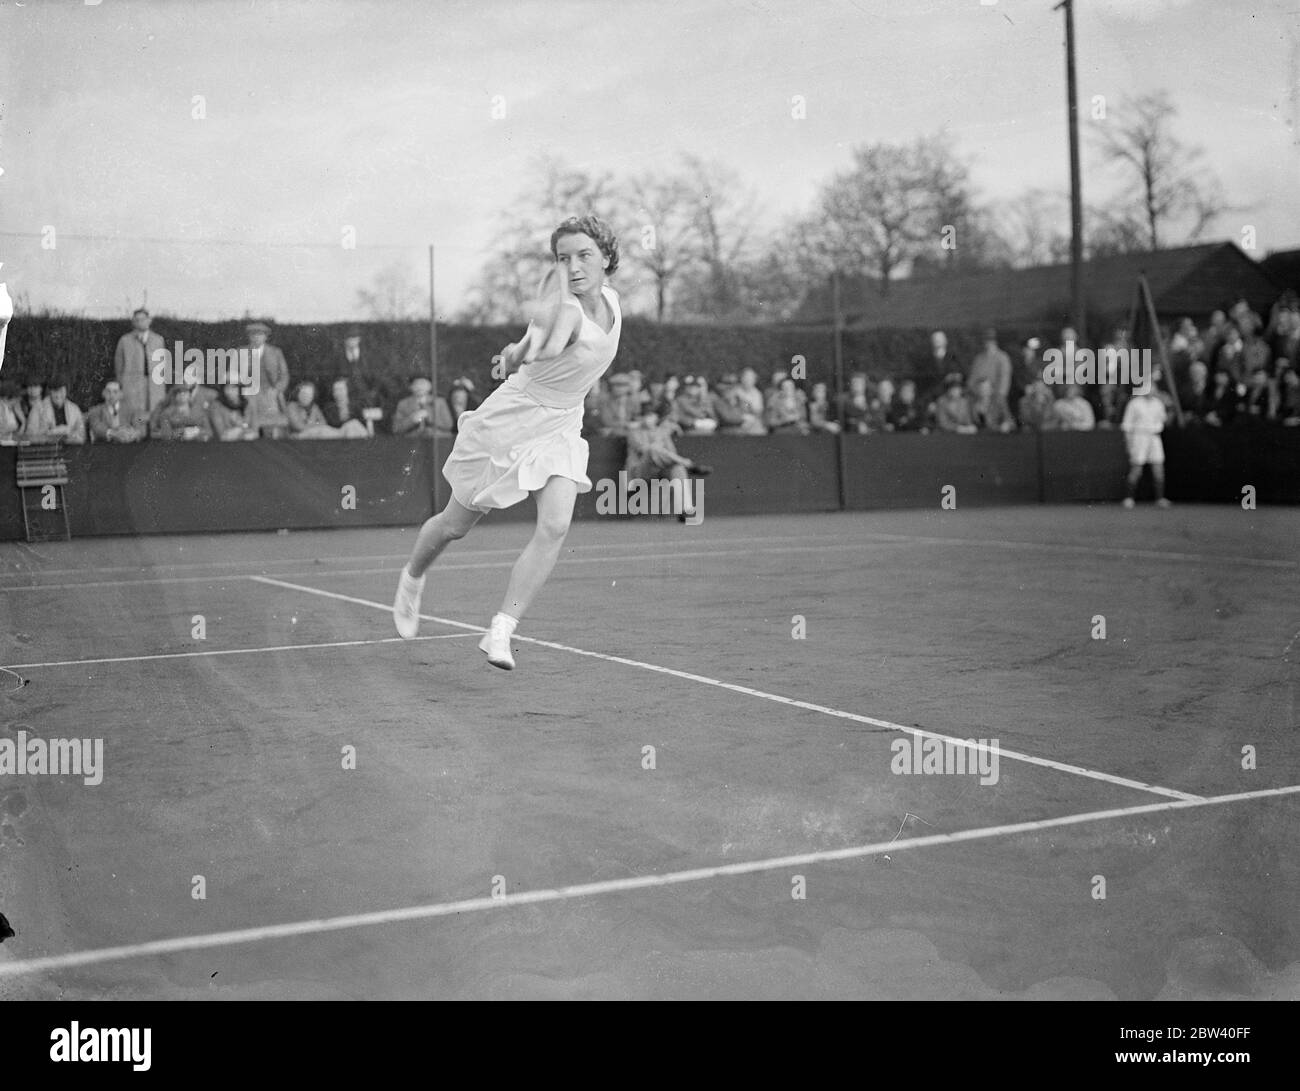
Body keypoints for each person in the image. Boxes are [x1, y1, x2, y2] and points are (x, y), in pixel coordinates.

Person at [393, 215, 624, 670]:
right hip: (514, 420)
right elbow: (542, 342)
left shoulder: (612, 302)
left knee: (555, 526)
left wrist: (521, 351)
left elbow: (538, 347)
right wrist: (523, 353)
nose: (574, 267)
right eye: (563, 259)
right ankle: (413, 576)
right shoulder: (569, 312)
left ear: (607, 259)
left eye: (584, 256)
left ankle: (501, 629)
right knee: (455, 525)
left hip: (562, 423)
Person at [624, 406, 711, 521]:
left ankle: (685, 511)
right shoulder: (634, 432)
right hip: (640, 472)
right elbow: (644, 450)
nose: (647, 419)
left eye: (650, 416)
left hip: (659, 471)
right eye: (644, 416)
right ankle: (689, 465)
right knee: (653, 450)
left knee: (678, 468)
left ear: (656, 418)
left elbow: (671, 454)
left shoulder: (662, 433)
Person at [113, 308, 167, 429]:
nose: (140, 322)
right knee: (136, 412)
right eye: (137, 320)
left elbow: (163, 363)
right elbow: (119, 364)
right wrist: (122, 382)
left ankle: (154, 434)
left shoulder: (158, 340)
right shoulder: (125, 340)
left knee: (154, 409)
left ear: (149, 321)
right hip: (133, 383)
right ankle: (137, 435)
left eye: (142, 319)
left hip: (154, 383)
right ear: (133, 322)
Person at [1120, 383, 1171, 509]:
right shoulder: (1134, 403)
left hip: (1154, 437)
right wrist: (1129, 443)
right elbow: (1127, 425)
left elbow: (1163, 420)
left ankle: (1160, 498)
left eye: (1153, 387)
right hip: (1139, 437)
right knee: (1136, 469)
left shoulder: (1158, 403)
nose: (1151, 390)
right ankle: (1129, 498)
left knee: (1158, 469)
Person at [241, 319, 291, 437]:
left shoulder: (275, 352)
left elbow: (284, 375)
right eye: (253, 334)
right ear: (249, 337)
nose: (257, 337)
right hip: (250, 392)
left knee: (273, 421)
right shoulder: (241, 351)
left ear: (265, 337)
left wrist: (277, 389)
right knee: (250, 420)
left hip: (270, 391)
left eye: (260, 334)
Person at [287, 380, 368, 439]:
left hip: (336, 435)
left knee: (353, 425)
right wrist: (316, 426)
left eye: (309, 394)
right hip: (301, 439)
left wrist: (316, 426)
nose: (306, 397)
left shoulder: (314, 408)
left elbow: (323, 423)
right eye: (303, 394)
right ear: (298, 394)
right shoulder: (292, 406)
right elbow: (298, 426)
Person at [30, 377, 86, 444]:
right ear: (50, 392)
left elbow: (82, 436)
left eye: (61, 391)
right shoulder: (38, 408)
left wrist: (69, 433)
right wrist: (52, 433)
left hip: (70, 449)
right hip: (46, 450)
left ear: (66, 391)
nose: (58, 395)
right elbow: (31, 436)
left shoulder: (74, 409)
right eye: (55, 391)